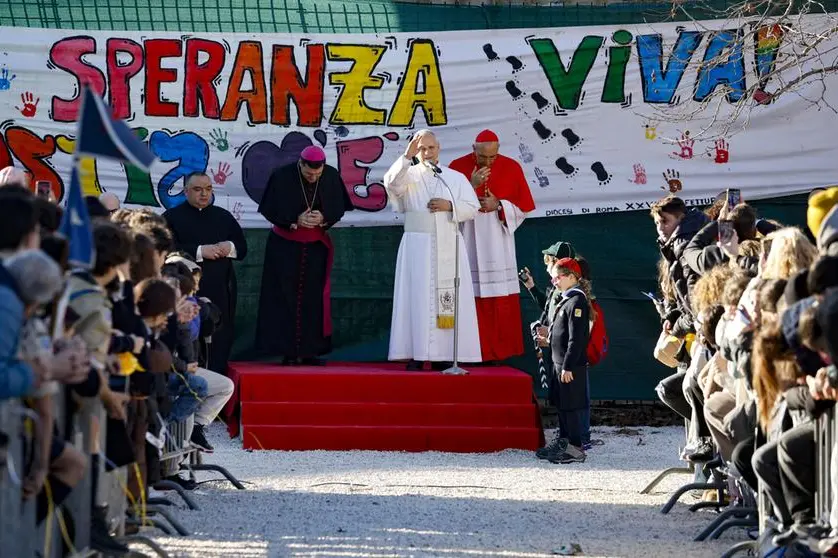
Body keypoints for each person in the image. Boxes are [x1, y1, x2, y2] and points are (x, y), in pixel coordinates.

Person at [383, 130, 482, 370]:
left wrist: (450, 205)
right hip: (417, 246)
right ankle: (417, 353)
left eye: (431, 148)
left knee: (446, 299)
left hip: (448, 242)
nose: (427, 153)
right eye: (422, 149)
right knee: (416, 296)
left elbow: (473, 207)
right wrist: (407, 157)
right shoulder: (408, 175)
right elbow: (392, 184)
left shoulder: (453, 177)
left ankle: (444, 354)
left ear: (439, 148)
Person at [254, 146, 353, 365]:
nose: (313, 178)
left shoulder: (330, 175)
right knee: (283, 297)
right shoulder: (282, 176)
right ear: (301, 164)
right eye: (309, 174)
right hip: (285, 247)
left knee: (313, 298)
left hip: (316, 247)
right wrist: (293, 219)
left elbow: (338, 206)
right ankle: (287, 351)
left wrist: (324, 218)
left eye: (317, 174)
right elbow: (270, 209)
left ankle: (310, 351)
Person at [449, 129, 535, 364]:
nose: (488, 162)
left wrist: (499, 204)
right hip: (467, 236)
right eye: (483, 157)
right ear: (473, 148)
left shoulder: (512, 167)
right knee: (467, 294)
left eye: (493, 157)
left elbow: (524, 208)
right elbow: (445, 203)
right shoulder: (457, 166)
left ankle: (497, 352)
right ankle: (465, 351)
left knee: (499, 299)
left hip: (499, 239)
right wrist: (470, 184)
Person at [163, 172, 248, 375]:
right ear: (185, 191)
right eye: (198, 189)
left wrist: (229, 247)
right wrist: (200, 251)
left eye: (208, 189)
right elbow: (166, 249)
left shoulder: (223, 216)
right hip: (186, 292)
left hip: (221, 289)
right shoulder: (171, 217)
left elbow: (242, 249)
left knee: (219, 339)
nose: (204, 194)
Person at [536, 257, 591, 464]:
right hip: (558, 363)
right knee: (562, 405)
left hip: (569, 366)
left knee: (572, 408)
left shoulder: (577, 301)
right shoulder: (566, 299)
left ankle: (575, 448)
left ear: (571, 277)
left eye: (558, 278)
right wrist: (548, 338)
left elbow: (576, 339)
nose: (555, 282)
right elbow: (561, 332)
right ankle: (564, 442)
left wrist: (567, 366)